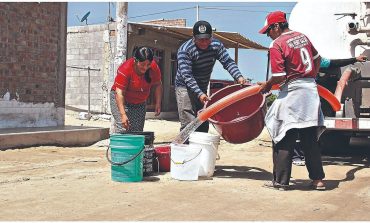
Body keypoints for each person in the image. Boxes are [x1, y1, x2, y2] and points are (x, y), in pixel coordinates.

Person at [257, 11, 326, 190]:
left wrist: (267, 85)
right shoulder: (303, 37)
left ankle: (281, 181)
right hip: (310, 91)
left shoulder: (277, 44)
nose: (268, 35)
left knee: (282, 134)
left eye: (268, 31)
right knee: (309, 137)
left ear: (277, 26)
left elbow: (279, 76)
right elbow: (317, 59)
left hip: (293, 92)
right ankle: (318, 179)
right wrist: (311, 77)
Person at [292, 54, 368, 166]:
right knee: (300, 129)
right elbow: (332, 63)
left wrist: (354, 59)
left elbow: (333, 63)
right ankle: (298, 156)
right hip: (300, 98)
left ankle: (302, 155)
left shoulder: (314, 61)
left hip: (309, 97)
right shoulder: (302, 63)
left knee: (308, 129)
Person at [175, 20, 247, 134]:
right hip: (184, 86)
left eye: (207, 39)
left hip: (202, 86)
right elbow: (187, 76)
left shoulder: (216, 46)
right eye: (201, 40)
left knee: (204, 118)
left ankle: (202, 147)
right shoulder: (185, 50)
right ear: (194, 37)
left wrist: (239, 77)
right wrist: (200, 94)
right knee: (189, 122)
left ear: (212, 37)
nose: (204, 43)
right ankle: (187, 148)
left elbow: (227, 62)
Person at [110, 46, 162, 133]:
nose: (145, 68)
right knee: (124, 128)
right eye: (142, 65)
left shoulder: (153, 67)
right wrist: (123, 114)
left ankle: (135, 147)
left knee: (137, 132)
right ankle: (121, 146)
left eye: (148, 65)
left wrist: (158, 103)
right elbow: (119, 93)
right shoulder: (125, 69)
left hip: (140, 103)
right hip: (121, 100)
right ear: (135, 60)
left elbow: (158, 85)